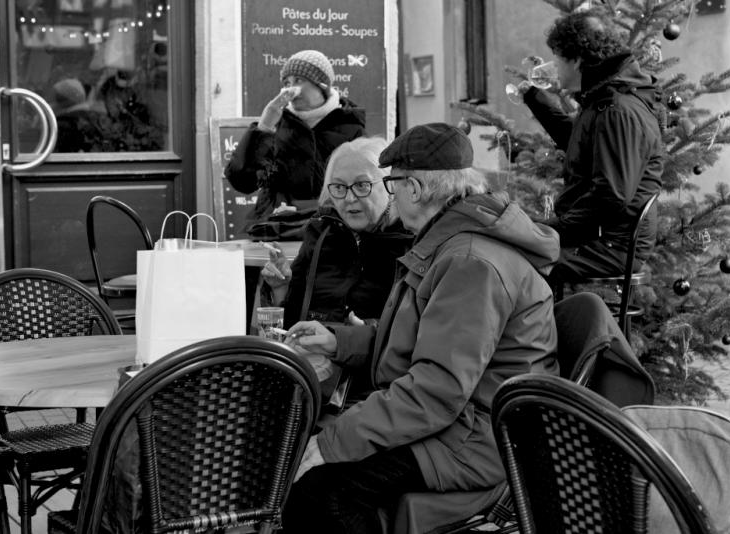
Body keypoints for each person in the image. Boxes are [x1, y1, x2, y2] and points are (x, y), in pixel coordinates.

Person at [280, 123, 561, 534]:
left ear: (413, 187)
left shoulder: (469, 260)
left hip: (481, 437)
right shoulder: (450, 244)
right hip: (461, 419)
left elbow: (437, 389)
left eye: (390, 184)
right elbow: (424, 346)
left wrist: (334, 441)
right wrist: (340, 340)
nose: (392, 196)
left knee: (319, 491)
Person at [521, 11, 665, 286]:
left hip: (610, 245)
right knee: (507, 257)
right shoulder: (603, 98)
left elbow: (611, 194)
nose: (554, 67)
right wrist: (536, 100)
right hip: (597, 236)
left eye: (558, 58)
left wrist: (554, 231)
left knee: (512, 266)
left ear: (576, 60)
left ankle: (547, 329)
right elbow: (581, 143)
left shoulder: (617, 109)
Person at [261, 137, 413, 328]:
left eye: (362, 185)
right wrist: (280, 288)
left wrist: (360, 336)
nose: (349, 198)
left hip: (374, 355)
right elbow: (290, 321)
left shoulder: (411, 241)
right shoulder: (322, 230)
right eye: (339, 187)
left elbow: (418, 328)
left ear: (390, 185)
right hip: (309, 353)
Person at [224, 50, 367, 224]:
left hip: (331, 227)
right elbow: (242, 183)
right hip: (276, 227)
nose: (291, 88)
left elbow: (363, 187)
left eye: (299, 80)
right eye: (286, 82)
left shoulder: (351, 127)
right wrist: (263, 128)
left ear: (322, 85)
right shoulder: (276, 126)